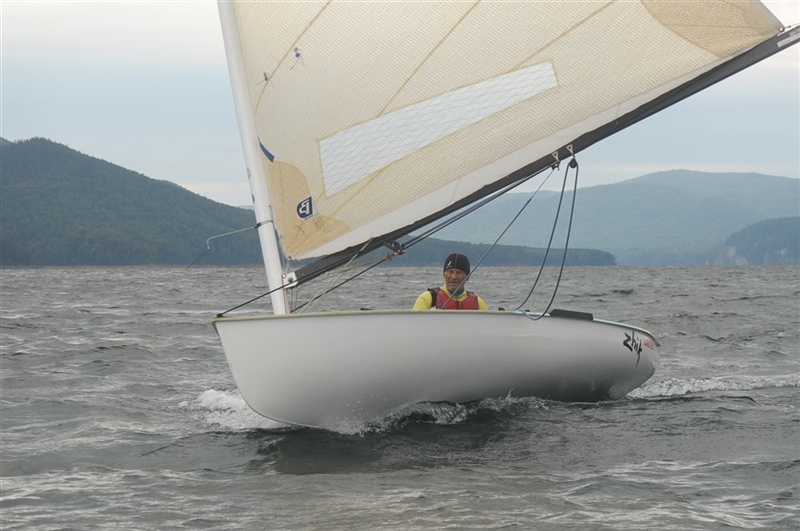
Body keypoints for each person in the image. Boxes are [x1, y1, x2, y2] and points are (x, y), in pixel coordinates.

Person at [413, 253, 487, 310]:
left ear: (467, 277)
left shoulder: (478, 303)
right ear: (444, 274)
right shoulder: (427, 298)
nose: (454, 277)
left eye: (459, 272)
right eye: (450, 272)